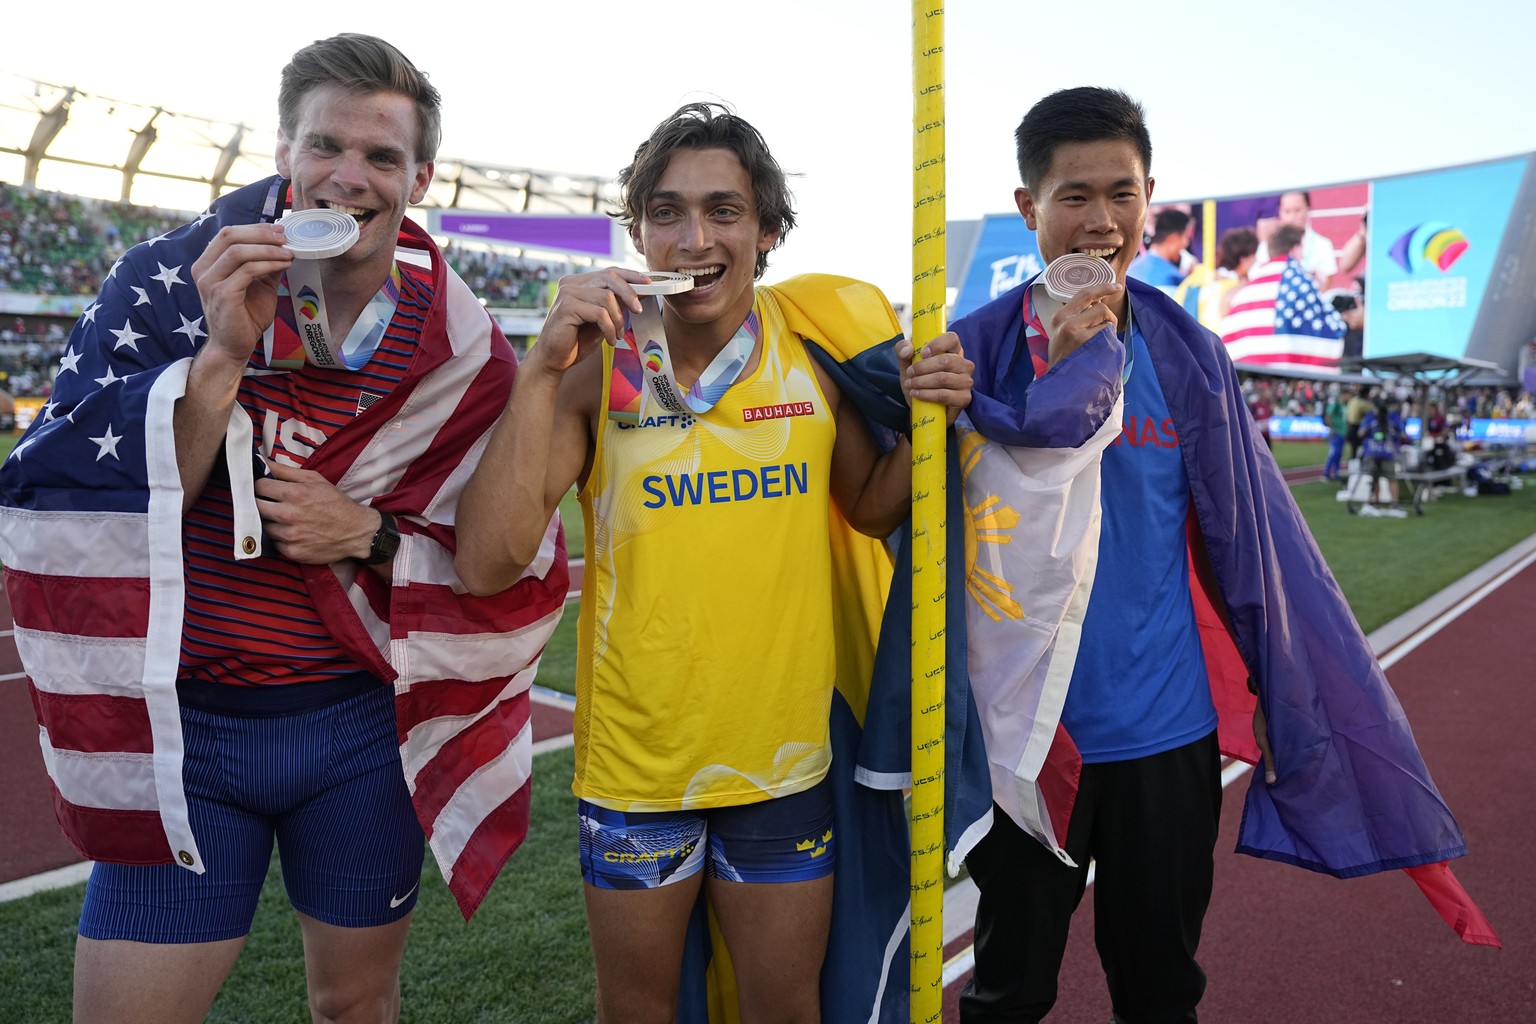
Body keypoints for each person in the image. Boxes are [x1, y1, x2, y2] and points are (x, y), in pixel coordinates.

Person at [0, 34, 567, 1024]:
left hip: (354, 726)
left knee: (354, 1004)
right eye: (327, 146)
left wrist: (365, 533)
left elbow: (490, 560)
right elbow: (112, 504)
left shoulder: (461, 344)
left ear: (421, 177)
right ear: (284, 152)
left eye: (382, 157)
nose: (349, 175)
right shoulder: (167, 284)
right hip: (190, 730)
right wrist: (221, 356)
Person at [946, 85, 1493, 1024]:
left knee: (1161, 987)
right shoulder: (970, 359)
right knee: (1008, 991)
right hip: (1024, 744)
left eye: (1122, 193)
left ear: (1150, 197)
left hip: (1168, 739)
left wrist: (1287, 687)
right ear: (1028, 206)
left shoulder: (1190, 354)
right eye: (1073, 196)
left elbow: (1259, 550)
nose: (1101, 222)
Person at [453, 102, 973, 1023]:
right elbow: (488, 562)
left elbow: (871, 505)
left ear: (767, 232)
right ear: (638, 228)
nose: (694, 236)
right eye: (667, 211)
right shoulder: (597, 362)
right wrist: (537, 370)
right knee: (641, 1013)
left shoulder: (809, 355)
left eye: (724, 211)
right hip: (635, 771)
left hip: (781, 763)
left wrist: (936, 418)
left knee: (786, 1010)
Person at [1254, 189, 1339, 288]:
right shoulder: (1266, 246)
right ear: (1279, 212)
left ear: (1308, 208)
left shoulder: (1323, 245)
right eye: (1287, 211)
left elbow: (1328, 283)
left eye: (1297, 210)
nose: (1292, 217)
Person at [1357, 394, 1409, 517]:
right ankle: (1375, 502)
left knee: (1391, 477)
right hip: (1373, 451)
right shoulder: (1371, 416)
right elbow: (1361, 432)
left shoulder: (1393, 417)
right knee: (1375, 477)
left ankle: (1394, 504)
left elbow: (1402, 434)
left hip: (1388, 452)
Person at [1126, 207, 1192, 292]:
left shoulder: (1130, 270)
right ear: (1173, 238)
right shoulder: (1173, 278)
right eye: (1186, 237)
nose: (1187, 243)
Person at [1323, 385, 1350, 480]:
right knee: (1334, 452)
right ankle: (1326, 474)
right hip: (1336, 432)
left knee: (1339, 454)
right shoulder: (1336, 403)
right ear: (1344, 394)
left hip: (1342, 432)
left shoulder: (1345, 405)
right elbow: (1328, 415)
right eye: (1348, 394)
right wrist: (1332, 428)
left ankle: (1336, 473)